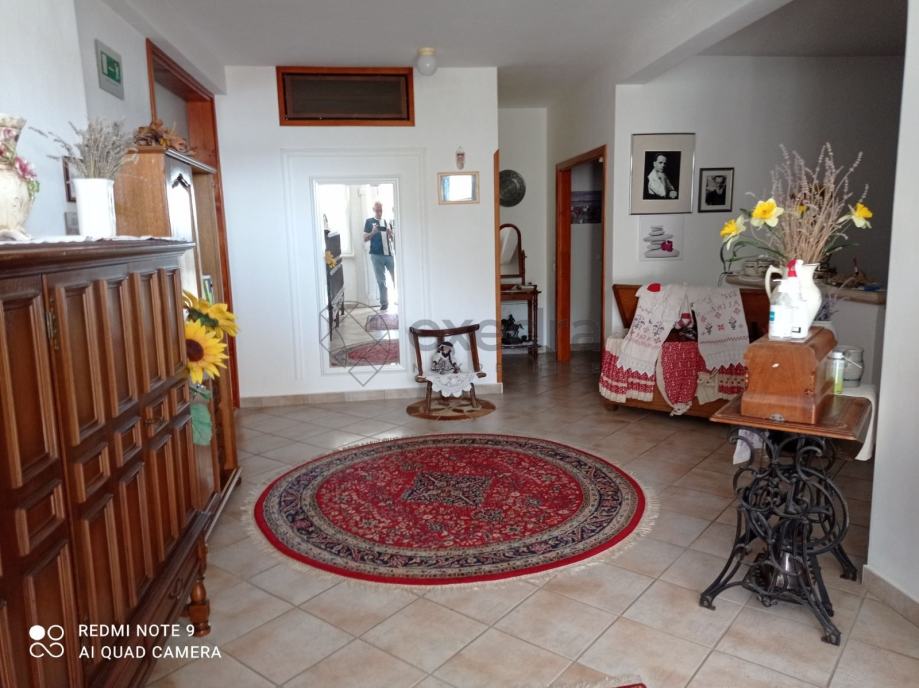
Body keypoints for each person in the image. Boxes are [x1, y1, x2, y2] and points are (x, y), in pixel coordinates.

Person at [363, 201, 396, 311]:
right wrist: (373, 232)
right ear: (373, 210)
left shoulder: (387, 221)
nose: (379, 212)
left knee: (395, 277)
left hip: (389, 255)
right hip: (376, 255)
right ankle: (384, 303)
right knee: (381, 280)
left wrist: (391, 234)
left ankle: (399, 299)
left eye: (380, 210)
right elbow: (365, 238)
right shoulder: (369, 222)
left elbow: (392, 239)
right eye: (377, 210)